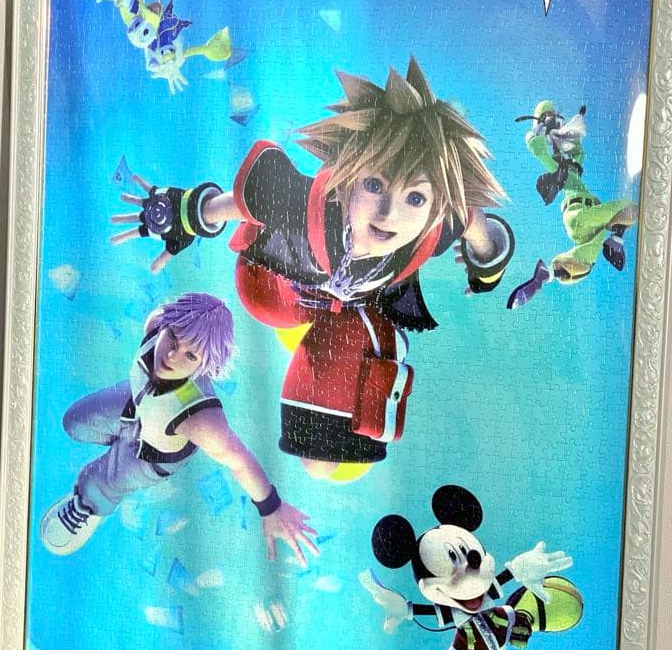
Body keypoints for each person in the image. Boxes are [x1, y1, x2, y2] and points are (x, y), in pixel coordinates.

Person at [111, 58, 515, 480]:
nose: (388, 214)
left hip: (345, 306)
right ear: (348, 178)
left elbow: (471, 217)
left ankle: (338, 348)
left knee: (319, 462)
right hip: (273, 285)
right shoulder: (302, 205)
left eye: (415, 198)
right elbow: (237, 203)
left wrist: (484, 261)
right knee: (267, 302)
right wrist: (180, 214)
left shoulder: (435, 226)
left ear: (435, 206)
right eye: (374, 185)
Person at [39, 292, 319, 564]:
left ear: (205, 366)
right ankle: (116, 444)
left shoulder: (200, 418)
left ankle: (89, 505)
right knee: (74, 422)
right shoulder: (155, 325)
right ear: (166, 324)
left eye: (191, 356)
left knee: (98, 482)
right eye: (173, 337)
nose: (172, 355)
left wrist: (271, 508)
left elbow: (239, 460)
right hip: (134, 405)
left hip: (152, 455)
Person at [507, 101, 638, 309]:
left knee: (583, 264)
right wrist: (538, 132)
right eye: (546, 117)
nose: (551, 120)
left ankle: (546, 274)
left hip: (586, 222)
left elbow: (578, 152)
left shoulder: (571, 166)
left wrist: (567, 131)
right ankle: (615, 241)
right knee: (631, 206)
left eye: (553, 115)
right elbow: (537, 148)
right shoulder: (557, 168)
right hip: (578, 215)